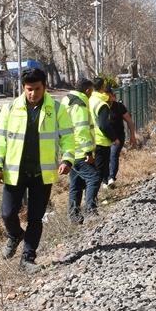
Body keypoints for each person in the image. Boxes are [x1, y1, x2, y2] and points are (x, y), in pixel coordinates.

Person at [0, 68, 75, 267]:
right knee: (8, 213)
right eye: (29, 89)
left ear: (44, 87)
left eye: (37, 89)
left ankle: (28, 258)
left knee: (35, 218)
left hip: (41, 173)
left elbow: (68, 137)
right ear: (23, 88)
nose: (33, 94)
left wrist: (67, 159)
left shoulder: (56, 109)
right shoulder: (10, 109)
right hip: (14, 172)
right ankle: (15, 235)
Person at [64, 78, 101, 222]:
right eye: (91, 91)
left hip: (69, 151)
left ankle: (74, 215)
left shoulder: (67, 100)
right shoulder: (79, 104)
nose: (91, 94)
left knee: (76, 184)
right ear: (87, 90)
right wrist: (87, 152)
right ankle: (90, 210)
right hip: (80, 152)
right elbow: (81, 129)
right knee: (94, 178)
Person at [106, 88, 137, 186]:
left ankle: (111, 178)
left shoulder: (119, 107)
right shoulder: (100, 107)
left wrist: (132, 136)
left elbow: (130, 121)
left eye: (109, 96)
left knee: (113, 155)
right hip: (105, 138)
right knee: (105, 158)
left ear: (113, 96)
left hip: (118, 137)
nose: (107, 99)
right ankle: (105, 179)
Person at [88, 77, 114, 187]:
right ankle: (95, 196)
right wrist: (114, 138)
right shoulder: (101, 103)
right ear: (103, 87)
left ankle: (95, 193)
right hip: (101, 140)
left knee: (95, 168)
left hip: (89, 139)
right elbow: (104, 125)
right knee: (100, 169)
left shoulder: (88, 100)